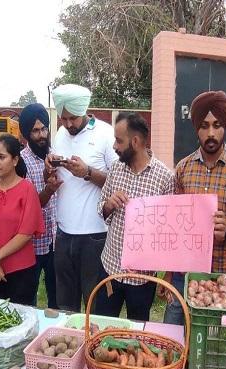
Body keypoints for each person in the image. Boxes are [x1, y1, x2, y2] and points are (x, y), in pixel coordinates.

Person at [161, 90, 226, 325]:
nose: (211, 133)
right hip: (183, 278)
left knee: (211, 349)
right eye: (204, 126)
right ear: (196, 128)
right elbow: (175, 226)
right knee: (174, 343)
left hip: (220, 281)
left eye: (217, 125)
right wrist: (170, 273)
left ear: (225, 126)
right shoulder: (183, 169)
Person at [94, 112, 174, 321]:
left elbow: (168, 231)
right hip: (110, 268)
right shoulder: (116, 169)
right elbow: (100, 209)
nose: (114, 146)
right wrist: (109, 204)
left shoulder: (164, 178)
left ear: (136, 141)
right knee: (102, 326)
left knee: (137, 335)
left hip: (142, 277)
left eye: (119, 140)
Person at [45, 84, 118, 312]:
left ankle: (93, 347)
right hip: (64, 233)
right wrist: (50, 169)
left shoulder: (106, 134)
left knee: (94, 306)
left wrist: (87, 172)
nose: (68, 124)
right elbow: (55, 175)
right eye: (63, 118)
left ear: (84, 110)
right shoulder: (60, 134)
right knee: (65, 303)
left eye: (73, 118)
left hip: (95, 236)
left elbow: (119, 183)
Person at [0, 134, 44, 305]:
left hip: (20, 272)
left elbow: (25, 233)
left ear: (15, 160)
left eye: (2, 157)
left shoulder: (27, 189)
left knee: (19, 323)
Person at [19, 103, 60, 308]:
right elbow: (29, 207)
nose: (42, 134)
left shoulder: (56, 156)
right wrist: (48, 190)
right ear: (26, 133)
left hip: (56, 240)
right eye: (35, 130)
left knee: (57, 298)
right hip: (32, 243)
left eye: (44, 128)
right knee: (28, 298)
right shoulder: (21, 162)